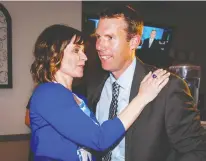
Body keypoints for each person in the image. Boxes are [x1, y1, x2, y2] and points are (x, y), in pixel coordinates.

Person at [29, 24, 169, 161]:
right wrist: (142, 97)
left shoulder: (78, 97)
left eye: (83, 51)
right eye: (76, 50)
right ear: (54, 54)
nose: (84, 57)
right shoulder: (48, 93)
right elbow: (99, 139)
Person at [85, 5, 206, 161]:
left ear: (134, 42)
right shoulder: (94, 83)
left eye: (109, 37)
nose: (99, 46)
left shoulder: (167, 88)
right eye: (98, 37)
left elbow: (197, 150)